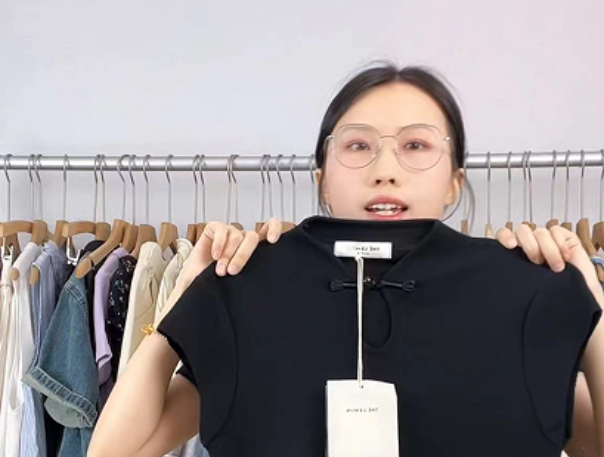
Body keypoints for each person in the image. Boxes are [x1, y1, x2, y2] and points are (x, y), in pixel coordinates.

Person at [89, 64, 604, 457]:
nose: (386, 169)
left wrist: (590, 301)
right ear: (323, 179)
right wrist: (188, 299)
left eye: (416, 144)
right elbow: (116, 451)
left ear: (455, 180)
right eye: (359, 145)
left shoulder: (523, 296)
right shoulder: (251, 296)